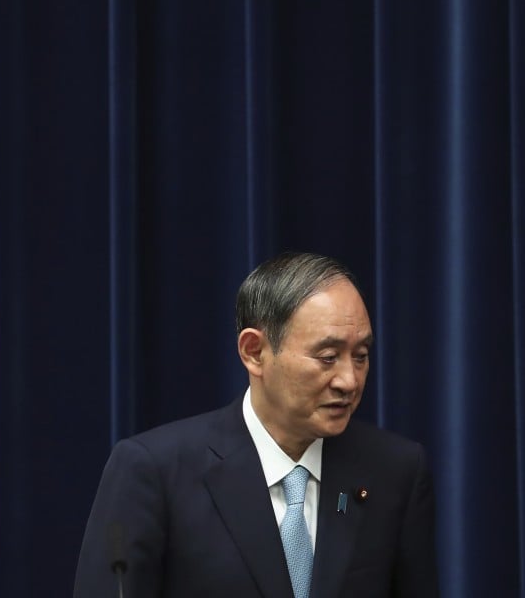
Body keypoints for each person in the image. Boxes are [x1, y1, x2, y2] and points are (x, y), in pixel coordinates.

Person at [72, 252, 437, 597]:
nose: (349, 380)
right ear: (254, 352)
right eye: (327, 357)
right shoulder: (155, 472)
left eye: (360, 356)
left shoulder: (395, 471)